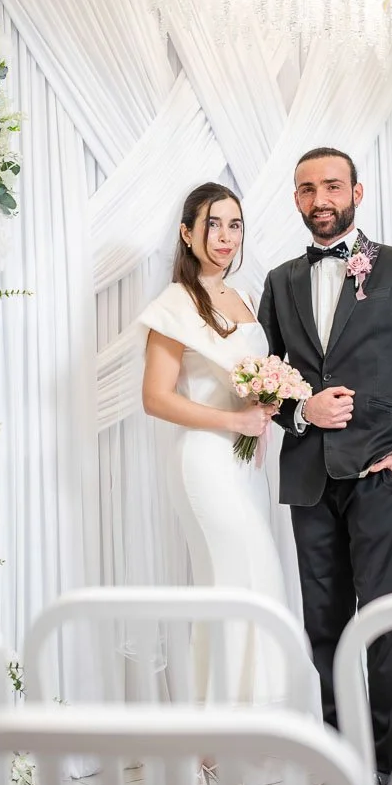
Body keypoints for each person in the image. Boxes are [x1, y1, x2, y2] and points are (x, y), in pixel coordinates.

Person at [256, 147, 392, 785]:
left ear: (357, 191)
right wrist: (301, 410)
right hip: (309, 478)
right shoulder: (280, 280)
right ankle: (341, 763)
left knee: (383, 622)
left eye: (333, 186)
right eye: (308, 188)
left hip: (379, 474)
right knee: (324, 626)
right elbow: (263, 383)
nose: (321, 198)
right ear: (295, 199)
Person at [138, 182, 290, 713]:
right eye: (212, 224)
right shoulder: (175, 303)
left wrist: (264, 403)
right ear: (187, 232)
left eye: (234, 224)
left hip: (245, 465)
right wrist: (234, 417)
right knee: (242, 580)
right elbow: (155, 398)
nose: (225, 236)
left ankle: (226, 737)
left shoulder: (242, 296)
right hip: (204, 459)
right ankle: (220, 743)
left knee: (241, 588)